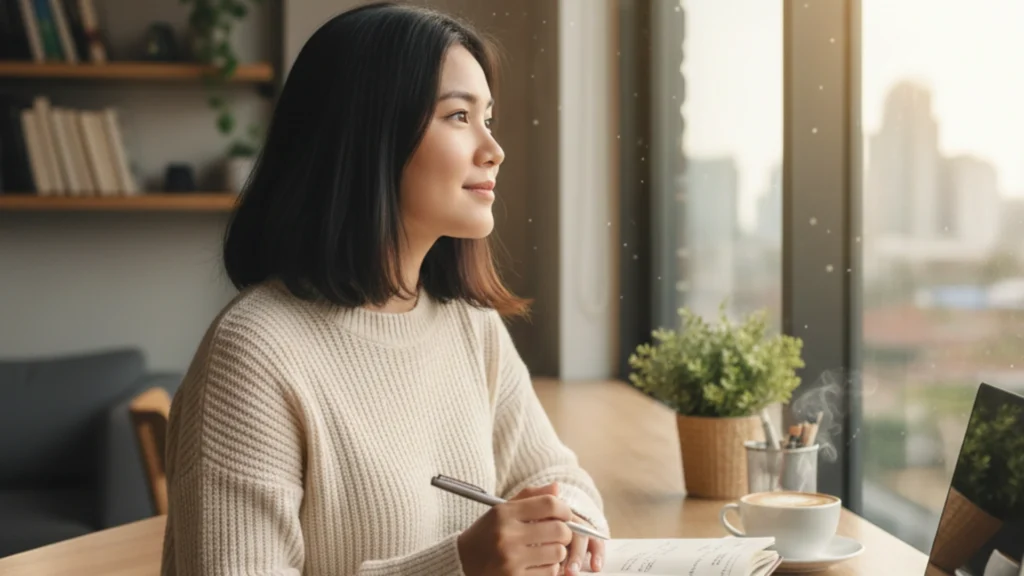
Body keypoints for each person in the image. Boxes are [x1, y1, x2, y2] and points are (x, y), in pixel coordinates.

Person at [160, 3, 610, 575]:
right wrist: (460, 567)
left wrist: (567, 522)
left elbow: (558, 477)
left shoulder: (468, 325)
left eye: (488, 119)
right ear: (370, 133)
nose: (493, 149)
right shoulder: (252, 353)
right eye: (457, 116)